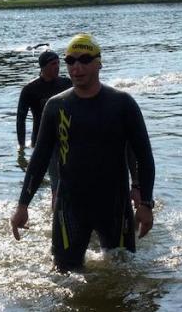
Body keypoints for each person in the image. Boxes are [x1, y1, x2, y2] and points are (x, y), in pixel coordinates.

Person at [10, 34, 155, 271]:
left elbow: (144, 156)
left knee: (122, 275)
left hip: (114, 206)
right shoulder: (56, 106)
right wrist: (23, 206)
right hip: (70, 206)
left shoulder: (122, 103)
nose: (76, 67)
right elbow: (39, 160)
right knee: (64, 277)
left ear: (99, 63)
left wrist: (146, 204)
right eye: (71, 61)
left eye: (85, 60)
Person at [16, 50, 72, 205]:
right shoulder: (30, 89)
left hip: (66, 138)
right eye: (53, 64)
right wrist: (21, 146)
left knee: (69, 179)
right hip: (43, 141)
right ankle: (57, 216)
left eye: (58, 63)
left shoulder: (66, 84)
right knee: (56, 183)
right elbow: (20, 118)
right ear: (43, 67)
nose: (57, 67)